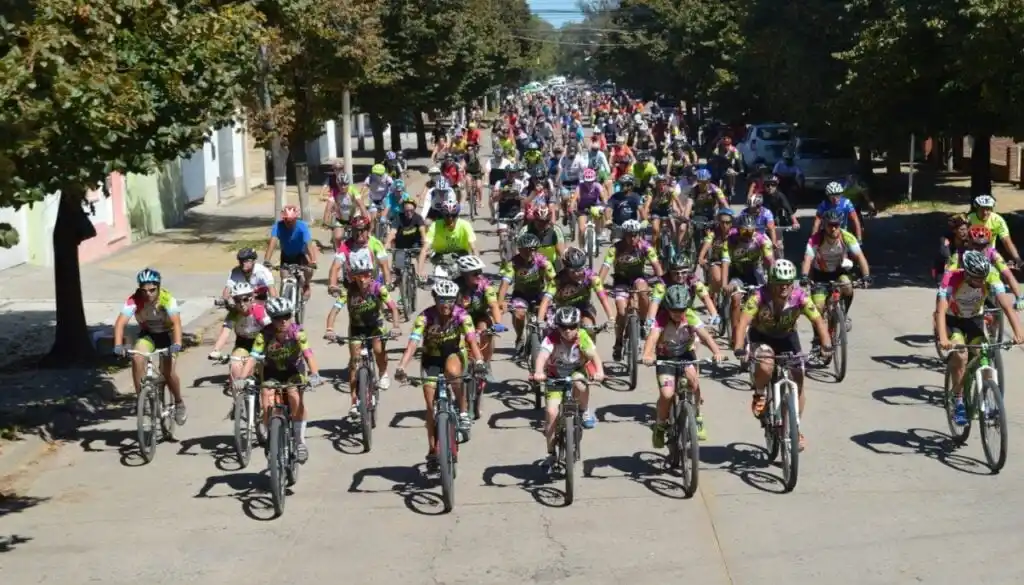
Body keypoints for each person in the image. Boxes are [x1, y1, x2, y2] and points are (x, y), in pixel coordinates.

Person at [732, 260, 831, 451]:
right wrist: (739, 347)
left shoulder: (800, 297)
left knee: (798, 379)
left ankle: (795, 427)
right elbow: (743, 321)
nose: (784, 287)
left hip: (787, 337)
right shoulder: (758, 296)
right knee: (766, 364)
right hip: (762, 336)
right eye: (779, 282)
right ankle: (760, 394)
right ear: (771, 282)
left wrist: (826, 343)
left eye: (788, 282)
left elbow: (818, 320)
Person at [394, 280, 486, 472]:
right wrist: (402, 366)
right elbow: (413, 344)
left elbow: (471, 341)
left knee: (453, 373)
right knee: (430, 406)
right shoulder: (424, 317)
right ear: (435, 299)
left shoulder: (462, 315)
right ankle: (432, 450)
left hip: (453, 353)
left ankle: (462, 411)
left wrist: (478, 361)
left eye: (450, 300)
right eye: (442, 300)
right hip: (431, 358)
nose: (446, 304)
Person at [936, 251, 1024, 425]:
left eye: (983, 278)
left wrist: (1019, 332)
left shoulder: (990, 275)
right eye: (977, 278)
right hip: (953, 320)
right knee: (961, 354)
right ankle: (958, 399)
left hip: (974, 319)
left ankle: (984, 395)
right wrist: (943, 338)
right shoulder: (952, 279)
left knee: (983, 353)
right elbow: (940, 311)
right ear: (967, 273)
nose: (982, 282)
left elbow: (1006, 305)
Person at [641, 285, 724, 444]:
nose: (678, 314)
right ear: (667, 308)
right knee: (667, 394)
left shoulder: (690, 316)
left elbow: (705, 336)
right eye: (674, 311)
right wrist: (647, 354)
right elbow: (652, 337)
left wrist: (717, 352)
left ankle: (698, 417)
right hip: (666, 358)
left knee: (694, 383)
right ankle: (660, 425)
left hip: (686, 355)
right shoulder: (662, 318)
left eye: (682, 310)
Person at [530, 306, 606, 471]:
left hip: (575, 372)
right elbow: (542, 357)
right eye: (563, 327)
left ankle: (584, 410)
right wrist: (538, 372)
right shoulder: (551, 339)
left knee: (581, 382)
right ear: (557, 326)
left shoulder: (583, 337)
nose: (568, 331)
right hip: (555, 376)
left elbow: (594, 356)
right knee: (551, 414)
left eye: (572, 326)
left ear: (578, 325)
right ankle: (551, 453)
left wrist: (599, 372)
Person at [324, 254, 400, 417]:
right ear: (354, 277)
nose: (363, 279)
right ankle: (353, 402)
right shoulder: (348, 292)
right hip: (357, 328)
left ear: (371, 274)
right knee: (354, 363)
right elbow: (334, 312)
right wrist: (330, 329)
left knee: (379, 350)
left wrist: (396, 326)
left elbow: (393, 308)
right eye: (359, 275)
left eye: (366, 274)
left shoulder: (379, 288)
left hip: (375, 326)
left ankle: (383, 372)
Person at [250, 297, 323, 463]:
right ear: (271, 318)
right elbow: (253, 357)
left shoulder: (297, 332)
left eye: (287, 316)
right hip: (272, 371)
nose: (283, 321)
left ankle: (299, 442)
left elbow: (308, 354)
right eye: (277, 318)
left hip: (294, 370)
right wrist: (242, 378)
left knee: (294, 395)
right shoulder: (264, 335)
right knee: (266, 398)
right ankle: (271, 436)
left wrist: (315, 374)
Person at [113, 268, 187, 425]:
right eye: (144, 291)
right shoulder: (134, 300)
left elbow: (176, 323)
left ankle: (179, 402)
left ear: (158, 287)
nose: (148, 294)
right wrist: (118, 344)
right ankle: (142, 400)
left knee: (168, 373)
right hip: (149, 335)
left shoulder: (167, 299)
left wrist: (178, 343)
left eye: (152, 290)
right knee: (137, 357)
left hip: (168, 335)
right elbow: (120, 323)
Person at [598, 219, 665, 361]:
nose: (632, 238)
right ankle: (618, 343)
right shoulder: (615, 248)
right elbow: (605, 268)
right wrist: (599, 284)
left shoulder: (645, 247)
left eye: (635, 235)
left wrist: (662, 281)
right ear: (624, 235)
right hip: (621, 281)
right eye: (629, 235)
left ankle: (641, 322)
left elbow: (657, 267)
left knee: (642, 289)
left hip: (637, 279)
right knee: (622, 313)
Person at [801, 209, 872, 331]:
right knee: (818, 306)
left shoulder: (847, 237)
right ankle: (818, 339)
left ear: (840, 224)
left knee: (847, 286)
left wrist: (866, 276)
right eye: (830, 225)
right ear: (824, 225)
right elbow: (807, 259)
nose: (833, 228)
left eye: (836, 225)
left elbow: (860, 257)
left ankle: (844, 315)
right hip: (820, 275)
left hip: (839, 272)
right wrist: (804, 277)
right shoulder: (816, 239)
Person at [497, 233, 558, 351]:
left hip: (539, 294)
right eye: (525, 250)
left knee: (550, 316)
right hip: (521, 295)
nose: (529, 253)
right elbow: (504, 284)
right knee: (519, 314)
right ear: (519, 250)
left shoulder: (543, 261)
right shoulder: (513, 263)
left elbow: (554, 281)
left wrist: (556, 298)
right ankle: (520, 337)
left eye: (533, 249)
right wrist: (501, 302)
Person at [207, 282, 271, 393]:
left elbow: (271, 330)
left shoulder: (258, 310)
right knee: (235, 366)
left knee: (265, 383)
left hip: (261, 344)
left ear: (252, 299)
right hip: (243, 344)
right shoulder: (234, 313)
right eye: (237, 300)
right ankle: (239, 403)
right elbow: (225, 333)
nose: (241, 304)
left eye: (245, 299)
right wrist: (216, 350)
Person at [454, 255, 506, 376]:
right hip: (460, 318)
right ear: (464, 274)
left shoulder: (485, 284)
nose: (479, 275)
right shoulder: (455, 286)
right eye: (475, 273)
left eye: (480, 272)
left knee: (485, 329)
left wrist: (498, 323)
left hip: (480, 316)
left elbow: (493, 304)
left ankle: (486, 364)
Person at [724, 213, 774, 327]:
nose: (747, 235)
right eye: (744, 231)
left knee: (766, 298)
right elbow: (725, 262)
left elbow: (770, 261)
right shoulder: (731, 239)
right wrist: (724, 284)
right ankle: (735, 332)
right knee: (736, 299)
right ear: (738, 230)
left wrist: (772, 280)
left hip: (755, 271)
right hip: (737, 272)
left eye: (750, 231)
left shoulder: (761, 239)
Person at [547, 247, 616, 328]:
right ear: (566, 269)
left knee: (589, 326)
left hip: (584, 307)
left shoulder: (592, 277)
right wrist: (541, 321)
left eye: (580, 269)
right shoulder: (557, 280)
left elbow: (603, 298)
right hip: (562, 309)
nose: (577, 274)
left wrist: (611, 318)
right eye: (573, 271)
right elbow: (546, 300)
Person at [264, 204, 318, 301]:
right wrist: (266, 260)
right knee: (284, 278)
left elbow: (309, 244)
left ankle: (306, 285)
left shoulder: (302, 226)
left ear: (296, 219)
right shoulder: (278, 226)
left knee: (309, 270)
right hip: (286, 255)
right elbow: (272, 243)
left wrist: (313, 261)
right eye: (286, 220)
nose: (288, 223)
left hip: (301, 254)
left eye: (291, 220)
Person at [417, 200, 479, 280]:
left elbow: (474, 248)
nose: (450, 219)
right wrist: (420, 271)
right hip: (441, 259)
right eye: (447, 215)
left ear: (457, 215)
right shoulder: (435, 225)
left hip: (461, 258)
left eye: (453, 216)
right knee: (439, 284)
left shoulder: (465, 225)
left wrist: (477, 269)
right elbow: (424, 250)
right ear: (443, 215)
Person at [329, 215, 391, 292]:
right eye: (356, 230)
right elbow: (335, 267)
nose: (359, 233)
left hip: (373, 282)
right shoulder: (345, 245)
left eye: (362, 230)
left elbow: (385, 266)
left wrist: (388, 283)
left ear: (368, 230)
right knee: (340, 302)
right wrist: (332, 285)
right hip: (353, 284)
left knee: (385, 296)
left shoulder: (376, 244)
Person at [386, 196, 428, 288]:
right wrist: (387, 243)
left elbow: (422, 230)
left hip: (414, 244)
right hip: (401, 245)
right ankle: (398, 281)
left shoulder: (418, 218)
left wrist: (425, 241)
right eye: (406, 210)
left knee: (420, 254)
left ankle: (420, 273)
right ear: (403, 210)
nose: (409, 212)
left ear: (414, 209)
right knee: (398, 268)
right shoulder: (398, 218)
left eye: (411, 210)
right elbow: (393, 232)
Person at [969, 194, 1022, 266]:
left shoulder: (998, 220)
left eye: (988, 209)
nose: (985, 212)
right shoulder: (969, 219)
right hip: (971, 252)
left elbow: (1006, 240)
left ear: (992, 209)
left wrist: (1017, 259)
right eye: (982, 209)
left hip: (990, 253)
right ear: (977, 208)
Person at [697, 208, 735, 299]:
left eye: (728, 222)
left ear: (732, 222)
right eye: (722, 222)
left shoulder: (735, 233)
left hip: (732, 262)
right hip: (716, 261)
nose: (725, 225)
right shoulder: (714, 233)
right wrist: (701, 257)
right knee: (718, 280)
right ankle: (712, 294)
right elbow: (707, 243)